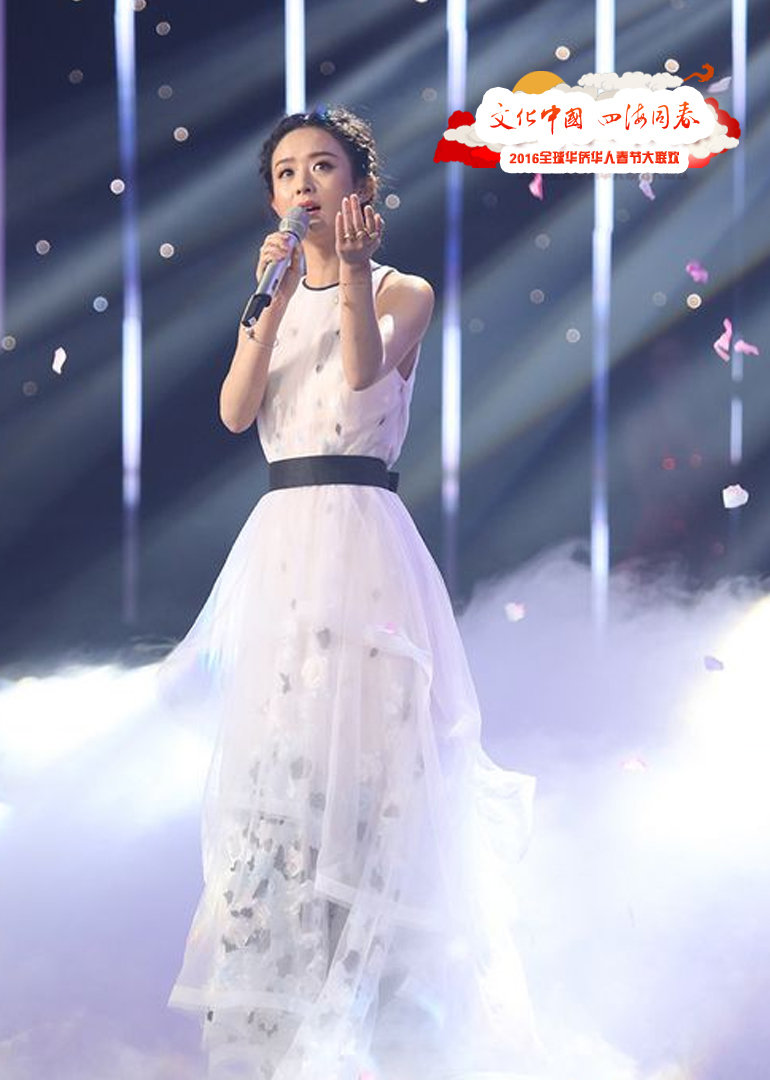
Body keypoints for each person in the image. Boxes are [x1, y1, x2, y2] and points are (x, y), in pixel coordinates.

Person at [159, 105, 541, 1080]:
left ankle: (388, 1018)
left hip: (361, 536)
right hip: (282, 544)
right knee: (280, 767)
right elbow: (236, 411)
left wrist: (353, 275)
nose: (303, 184)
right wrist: (268, 303)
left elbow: (365, 380)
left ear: (359, 187)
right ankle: (275, 1028)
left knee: (373, 768)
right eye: (286, 171)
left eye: (321, 166)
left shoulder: (402, 289)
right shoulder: (274, 295)